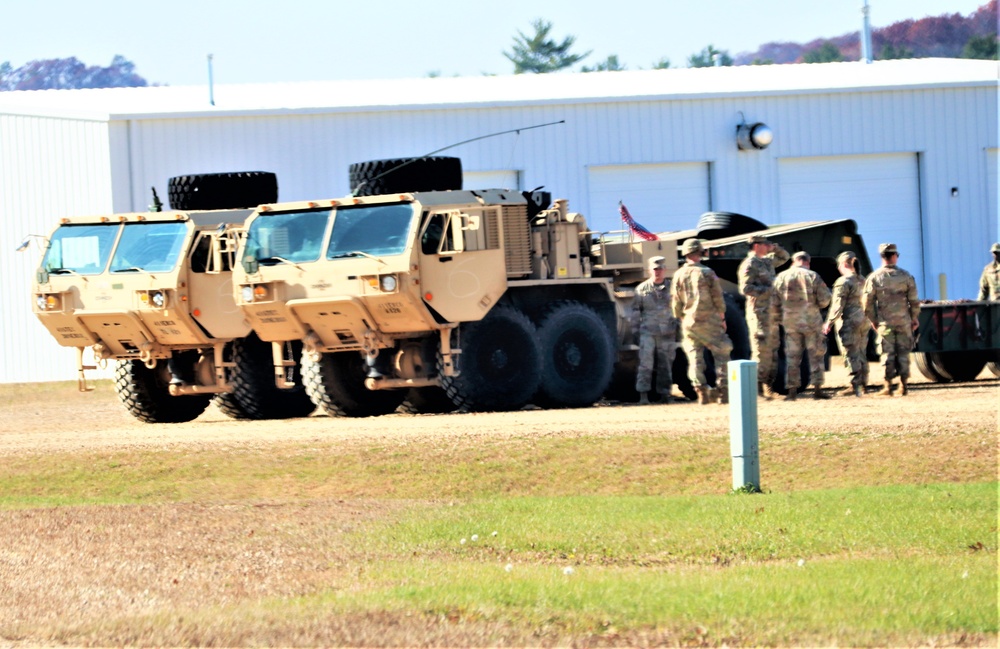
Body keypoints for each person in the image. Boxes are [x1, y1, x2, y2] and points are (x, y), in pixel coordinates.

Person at [671, 239, 733, 405]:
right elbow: (718, 297)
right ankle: (723, 392)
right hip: (710, 321)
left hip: (690, 322)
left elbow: (676, 302)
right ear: (699, 252)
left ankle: (701, 392)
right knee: (722, 354)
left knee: (695, 359)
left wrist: (683, 318)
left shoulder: (678, 274)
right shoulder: (707, 272)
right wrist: (722, 317)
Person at [862, 242, 920, 396]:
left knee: (886, 354)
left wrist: (874, 320)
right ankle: (903, 385)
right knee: (903, 354)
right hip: (903, 322)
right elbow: (914, 301)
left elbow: (867, 303)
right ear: (895, 256)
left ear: (882, 257)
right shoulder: (906, 276)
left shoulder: (874, 277)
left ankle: (887, 386)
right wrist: (914, 318)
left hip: (884, 322)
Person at [773, 251, 832, 401]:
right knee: (816, 355)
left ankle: (792, 391)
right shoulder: (813, 276)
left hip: (790, 323)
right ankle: (817, 390)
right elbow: (825, 300)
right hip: (811, 322)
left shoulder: (781, 277)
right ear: (808, 261)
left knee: (792, 356)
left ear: (793, 261)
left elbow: (773, 302)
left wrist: (780, 318)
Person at [738, 234, 789, 400]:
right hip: (759, 314)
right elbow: (745, 289)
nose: (768, 246)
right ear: (756, 246)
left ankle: (769, 386)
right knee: (761, 351)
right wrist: (769, 291)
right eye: (765, 244)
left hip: (772, 315)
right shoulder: (749, 264)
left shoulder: (766, 261)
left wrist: (776, 248)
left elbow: (784, 257)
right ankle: (756, 388)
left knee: (773, 351)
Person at [631, 256, 679, 404]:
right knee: (645, 364)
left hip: (667, 332)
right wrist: (635, 333)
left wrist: (679, 329)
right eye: (654, 269)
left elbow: (679, 308)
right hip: (648, 332)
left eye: (660, 269)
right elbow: (635, 312)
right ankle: (643, 396)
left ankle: (664, 395)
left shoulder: (672, 288)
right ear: (649, 270)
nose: (657, 272)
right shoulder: (641, 289)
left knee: (665, 365)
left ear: (664, 270)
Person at [822, 251, 870, 397]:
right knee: (861, 351)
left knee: (850, 352)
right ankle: (863, 383)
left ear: (843, 264)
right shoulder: (863, 280)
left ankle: (855, 385)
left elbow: (837, 305)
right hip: (864, 320)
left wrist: (829, 322)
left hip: (849, 321)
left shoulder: (843, 282)